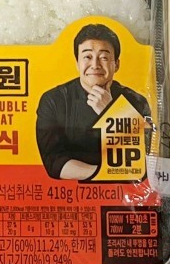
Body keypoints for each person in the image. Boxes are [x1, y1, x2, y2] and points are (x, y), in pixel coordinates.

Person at [35, 24, 153, 180]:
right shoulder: (53, 100)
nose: (95, 65)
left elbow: (146, 158)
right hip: (73, 192)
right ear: (77, 62)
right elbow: (54, 162)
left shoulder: (137, 101)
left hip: (123, 191)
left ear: (116, 64)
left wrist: (111, 112)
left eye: (104, 57)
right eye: (87, 57)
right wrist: (106, 174)